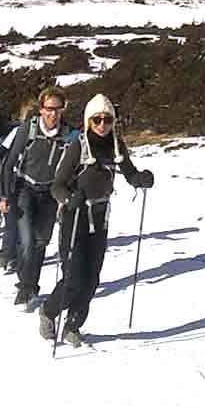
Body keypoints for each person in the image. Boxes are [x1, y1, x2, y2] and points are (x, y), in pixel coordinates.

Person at [38, 94, 154, 347]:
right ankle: (48, 311)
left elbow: (130, 173)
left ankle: (73, 325)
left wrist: (141, 179)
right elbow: (57, 186)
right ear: (88, 121)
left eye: (107, 119)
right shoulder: (79, 146)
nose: (103, 124)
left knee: (91, 278)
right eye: (97, 119)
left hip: (100, 218)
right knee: (74, 277)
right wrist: (69, 199)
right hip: (75, 216)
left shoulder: (116, 146)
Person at [0, 87, 77, 310]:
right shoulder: (29, 130)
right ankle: (26, 289)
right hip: (25, 188)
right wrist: (4, 195)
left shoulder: (70, 134)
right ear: (41, 109)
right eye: (49, 109)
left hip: (51, 193)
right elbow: (9, 162)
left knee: (41, 242)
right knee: (28, 241)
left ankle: (30, 285)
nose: (53, 114)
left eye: (57, 109)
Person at [0, 98, 37, 273]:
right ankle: (7, 255)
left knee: (20, 220)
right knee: (11, 220)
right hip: (10, 180)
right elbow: (1, 151)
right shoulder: (18, 132)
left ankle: (12, 255)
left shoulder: (35, 134)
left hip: (25, 183)